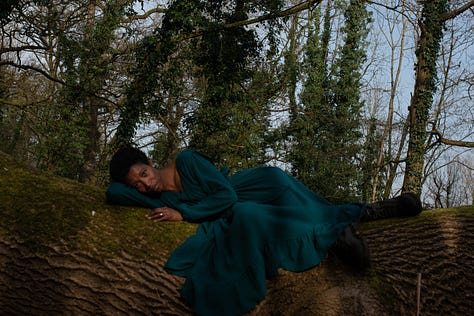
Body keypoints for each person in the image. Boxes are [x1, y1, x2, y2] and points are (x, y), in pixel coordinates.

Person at [106, 145, 422, 316]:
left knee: (276, 184)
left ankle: (344, 225)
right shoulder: (155, 195)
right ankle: (362, 215)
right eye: (138, 184)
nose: (146, 184)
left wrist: (182, 213)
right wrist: (129, 184)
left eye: (144, 173)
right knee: (248, 217)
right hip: (232, 210)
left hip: (242, 190)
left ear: (150, 160)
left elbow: (224, 195)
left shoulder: (186, 161)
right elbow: (113, 193)